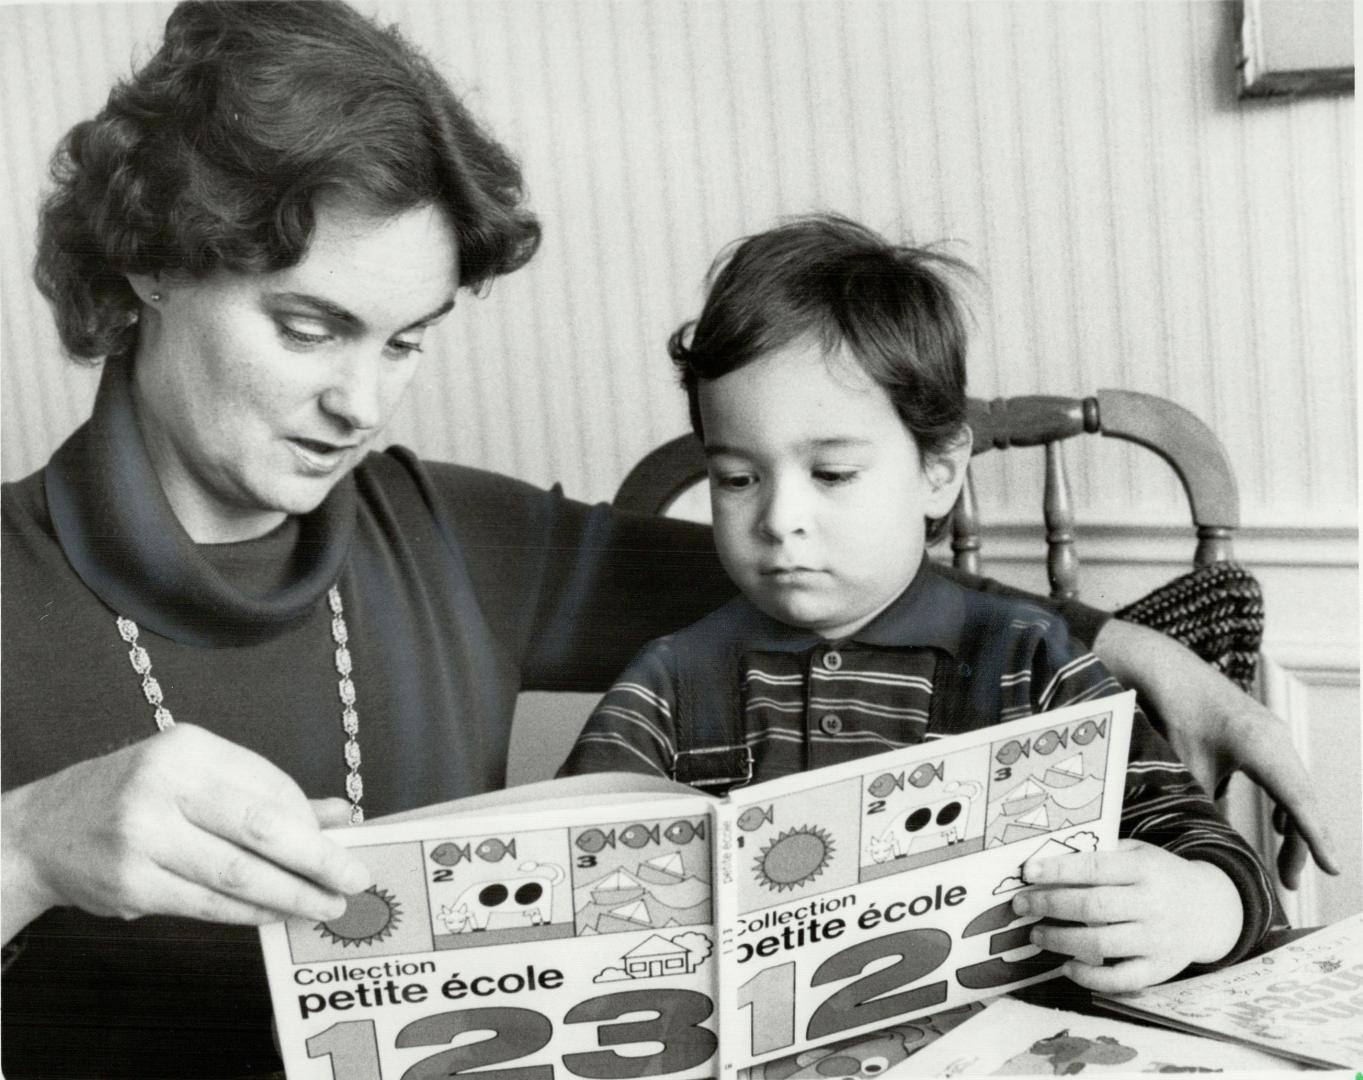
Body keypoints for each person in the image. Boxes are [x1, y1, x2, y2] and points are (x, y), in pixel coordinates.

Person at [0, 2, 1334, 1077]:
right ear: (145, 265)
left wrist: (1134, 652)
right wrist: (24, 848)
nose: (361, 400)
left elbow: (814, 575)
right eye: (309, 327)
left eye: (407, 340)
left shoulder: (441, 531)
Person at [559, 216, 1279, 990]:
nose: (777, 518)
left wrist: (1203, 905)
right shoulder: (669, 681)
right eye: (737, 479)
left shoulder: (1028, 659)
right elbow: (569, 868)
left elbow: (1202, 843)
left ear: (938, 471)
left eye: (831, 474)